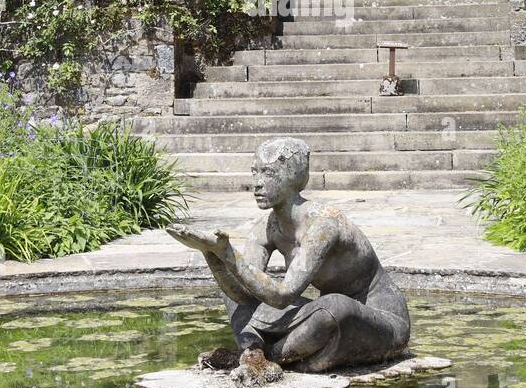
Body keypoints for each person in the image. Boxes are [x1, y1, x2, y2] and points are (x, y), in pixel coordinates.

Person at [166, 137, 410, 373]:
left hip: (379, 322)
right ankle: (258, 353)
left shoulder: (325, 224)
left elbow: (282, 296)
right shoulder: (266, 229)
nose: (257, 183)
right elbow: (242, 294)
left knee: (334, 307)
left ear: (293, 177)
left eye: (268, 173)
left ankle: (262, 354)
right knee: (234, 295)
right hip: (322, 316)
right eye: (255, 172)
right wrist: (211, 254)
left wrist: (228, 253)